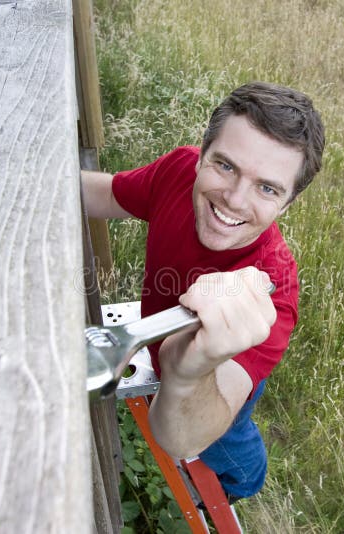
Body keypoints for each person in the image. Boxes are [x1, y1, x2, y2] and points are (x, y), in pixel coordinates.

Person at [82, 81, 325, 501]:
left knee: (228, 441)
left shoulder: (273, 291)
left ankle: (242, 485)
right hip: (165, 354)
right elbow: (104, 193)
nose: (233, 199)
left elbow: (183, 441)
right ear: (202, 154)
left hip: (223, 373)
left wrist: (195, 368)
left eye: (267, 188)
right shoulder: (178, 171)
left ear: (287, 205)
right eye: (225, 166)